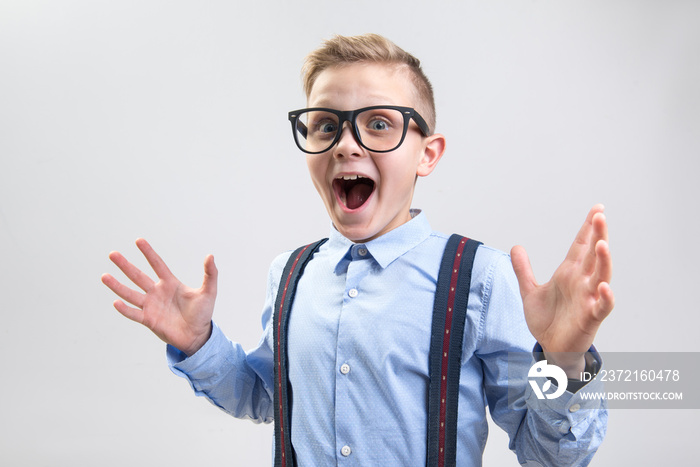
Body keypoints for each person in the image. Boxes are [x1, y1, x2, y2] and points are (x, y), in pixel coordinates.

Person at [101, 34, 614, 466]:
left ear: (427, 155)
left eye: (379, 124)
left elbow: (550, 454)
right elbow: (269, 396)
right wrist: (199, 343)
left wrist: (566, 363)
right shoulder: (291, 273)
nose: (346, 143)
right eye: (326, 125)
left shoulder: (478, 279)